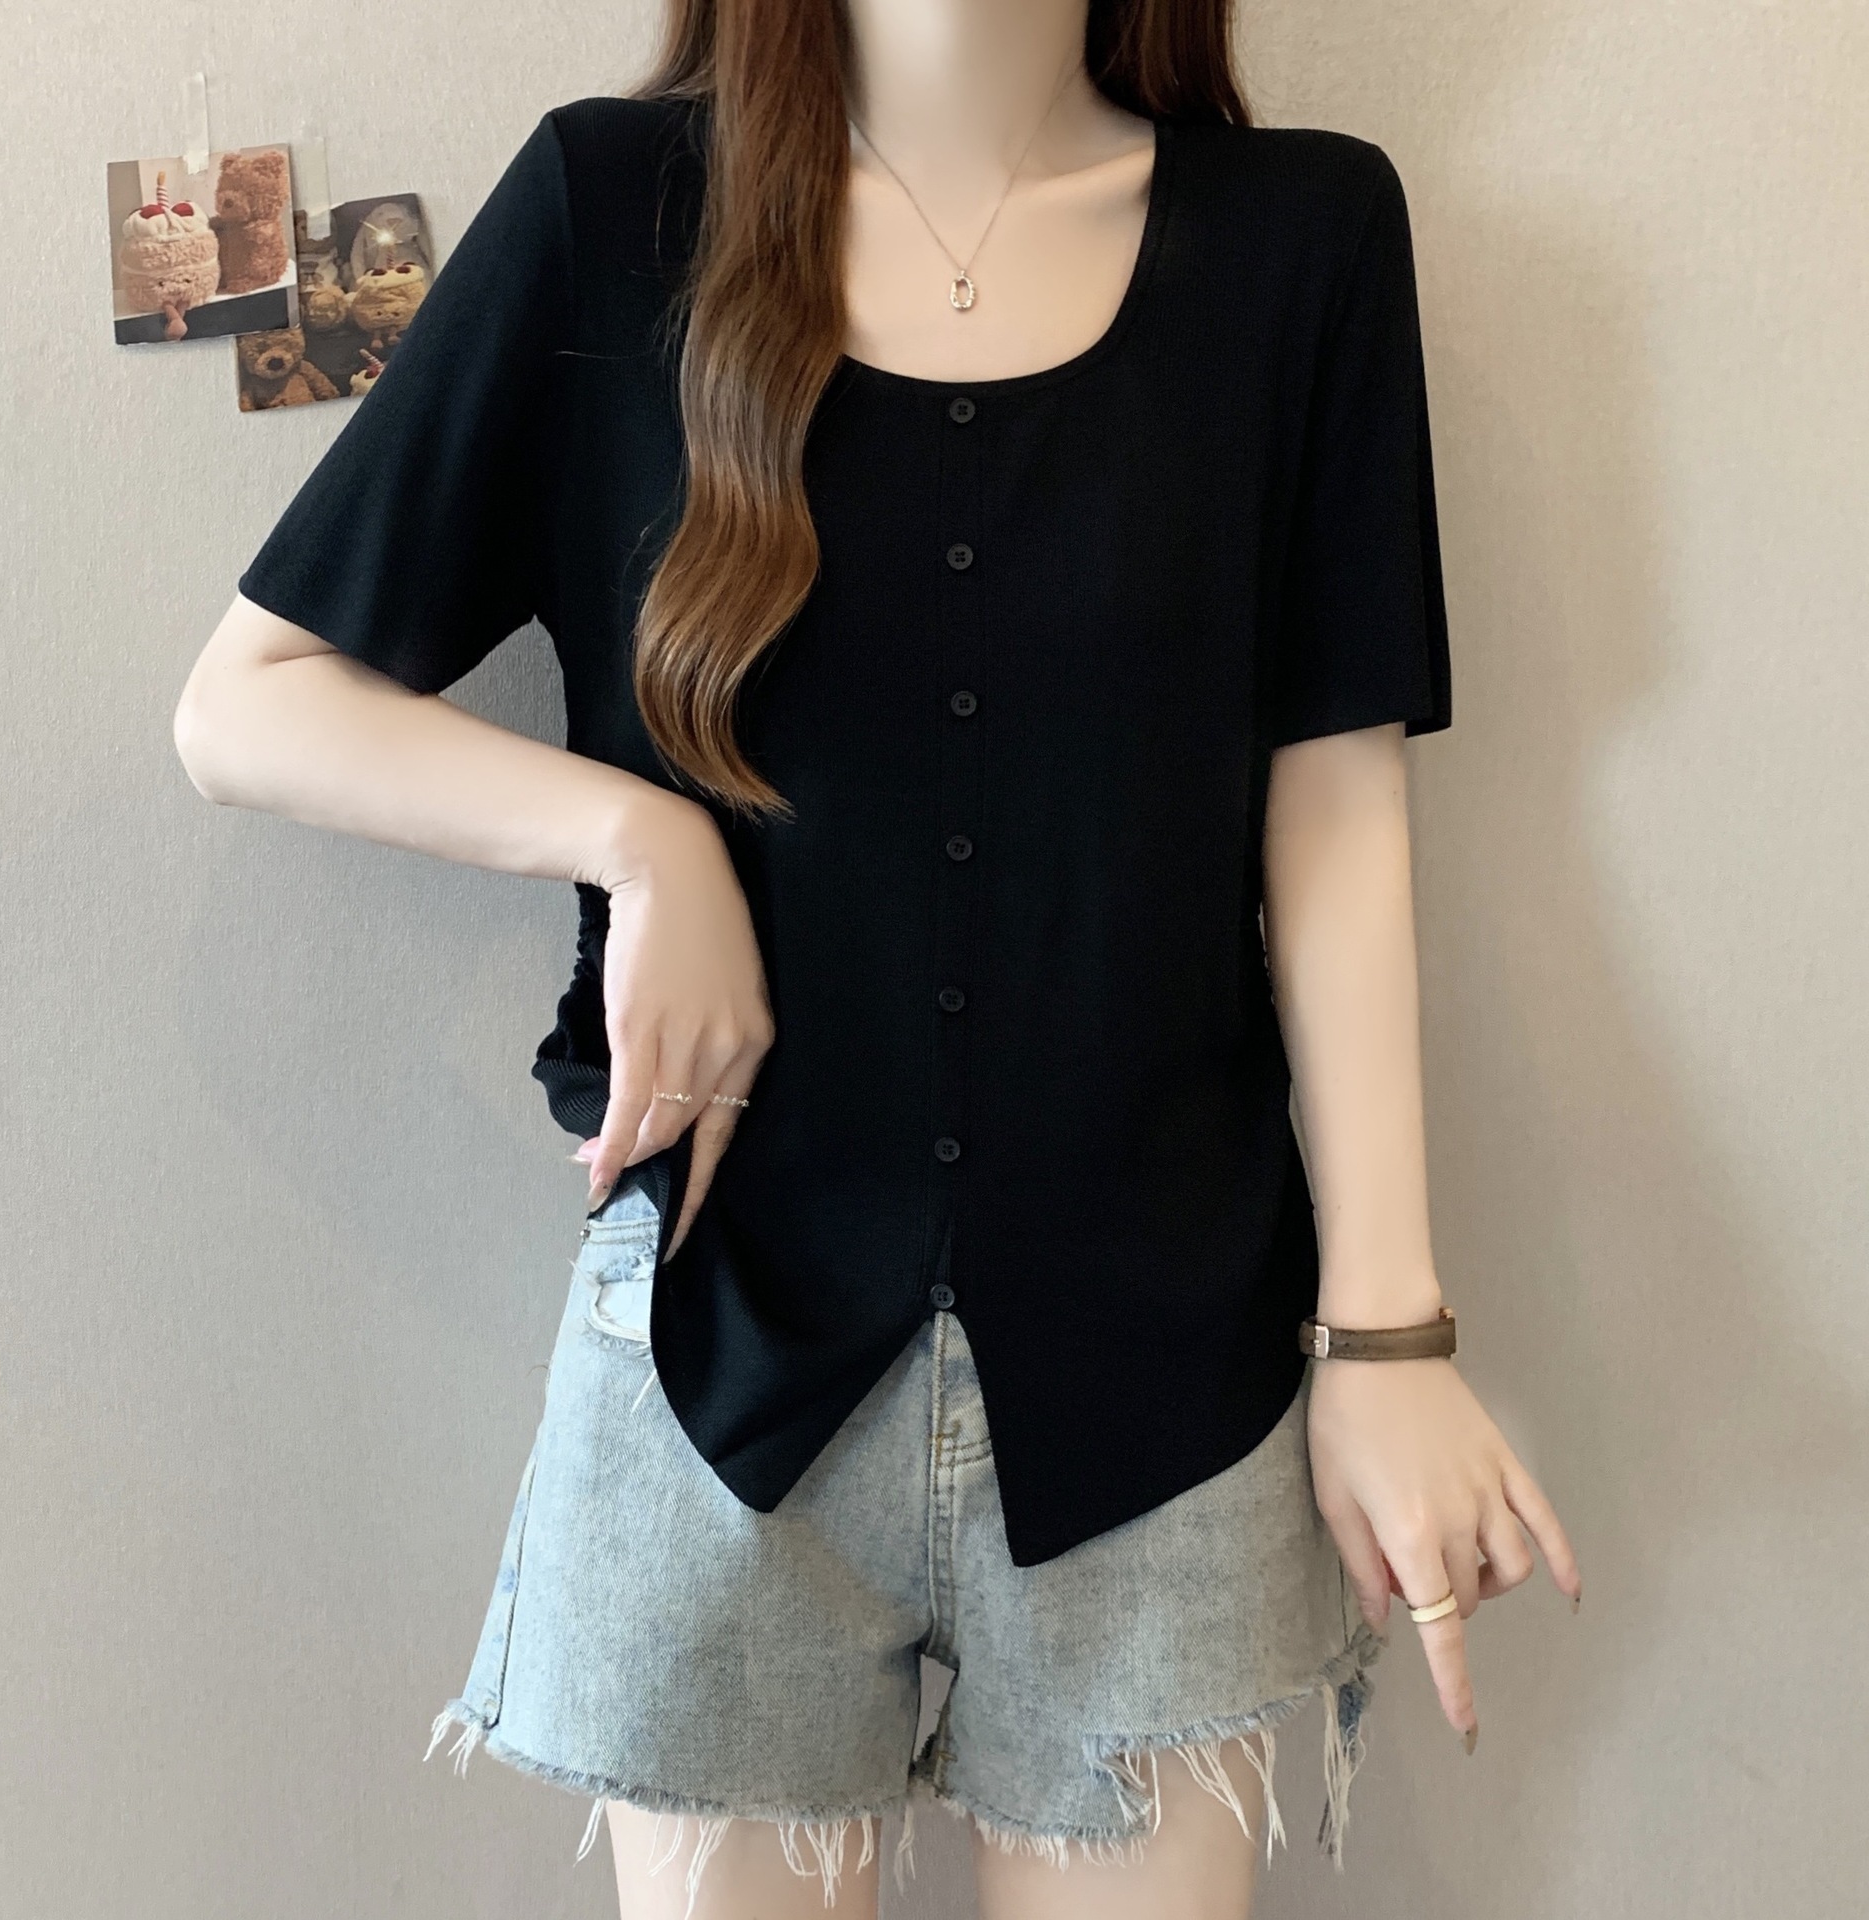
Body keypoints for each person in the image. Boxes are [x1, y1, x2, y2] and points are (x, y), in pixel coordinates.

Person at [174, 2, 1581, 1914]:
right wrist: (639, 836)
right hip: (716, 1351)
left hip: (1173, 1370)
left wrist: (1388, 1334)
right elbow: (250, 704)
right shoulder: (611, 209)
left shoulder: (1302, 238)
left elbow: (1332, 795)